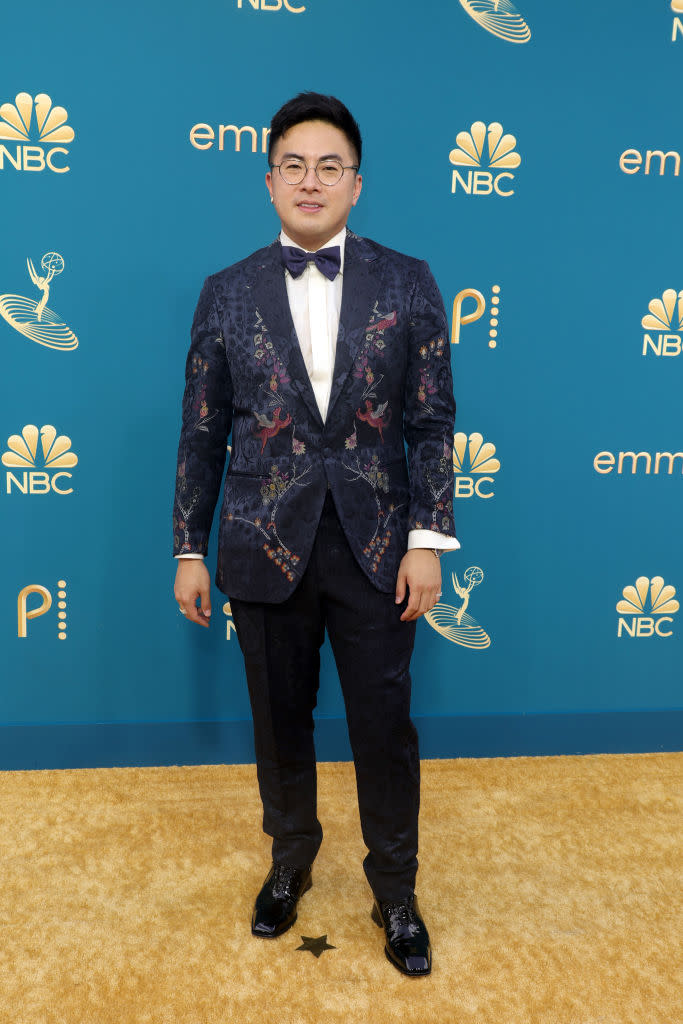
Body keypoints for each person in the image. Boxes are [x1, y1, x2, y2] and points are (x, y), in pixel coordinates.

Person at [172, 92, 459, 977]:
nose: (310, 180)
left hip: (377, 547)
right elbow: (201, 429)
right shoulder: (225, 292)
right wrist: (189, 546)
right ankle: (289, 863)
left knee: (385, 728)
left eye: (328, 165)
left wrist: (427, 538)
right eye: (293, 165)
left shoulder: (407, 281)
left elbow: (430, 422)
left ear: (355, 184)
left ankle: (396, 891)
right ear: (268, 183)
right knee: (278, 723)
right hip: (262, 542)